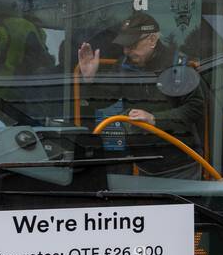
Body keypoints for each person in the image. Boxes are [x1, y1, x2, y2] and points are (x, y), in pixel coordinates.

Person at [77, 14, 206, 178]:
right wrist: (89, 80)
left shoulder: (179, 66)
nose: (126, 51)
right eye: (124, 46)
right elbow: (101, 103)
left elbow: (196, 108)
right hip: (143, 163)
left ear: (152, 40)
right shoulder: (123, 66)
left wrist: (155, 119)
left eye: (132, 45)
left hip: (180, 164)